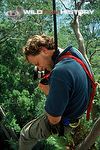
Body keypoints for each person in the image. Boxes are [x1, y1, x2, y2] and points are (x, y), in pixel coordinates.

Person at [19, 34, 91, 150]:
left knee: (25, 134)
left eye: (37, 63)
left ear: (44, 50)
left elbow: (54, 119)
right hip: (78, 110)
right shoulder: (73, 53)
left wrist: (48, 92)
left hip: (64, 122)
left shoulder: (59, 73)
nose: (39, 68)